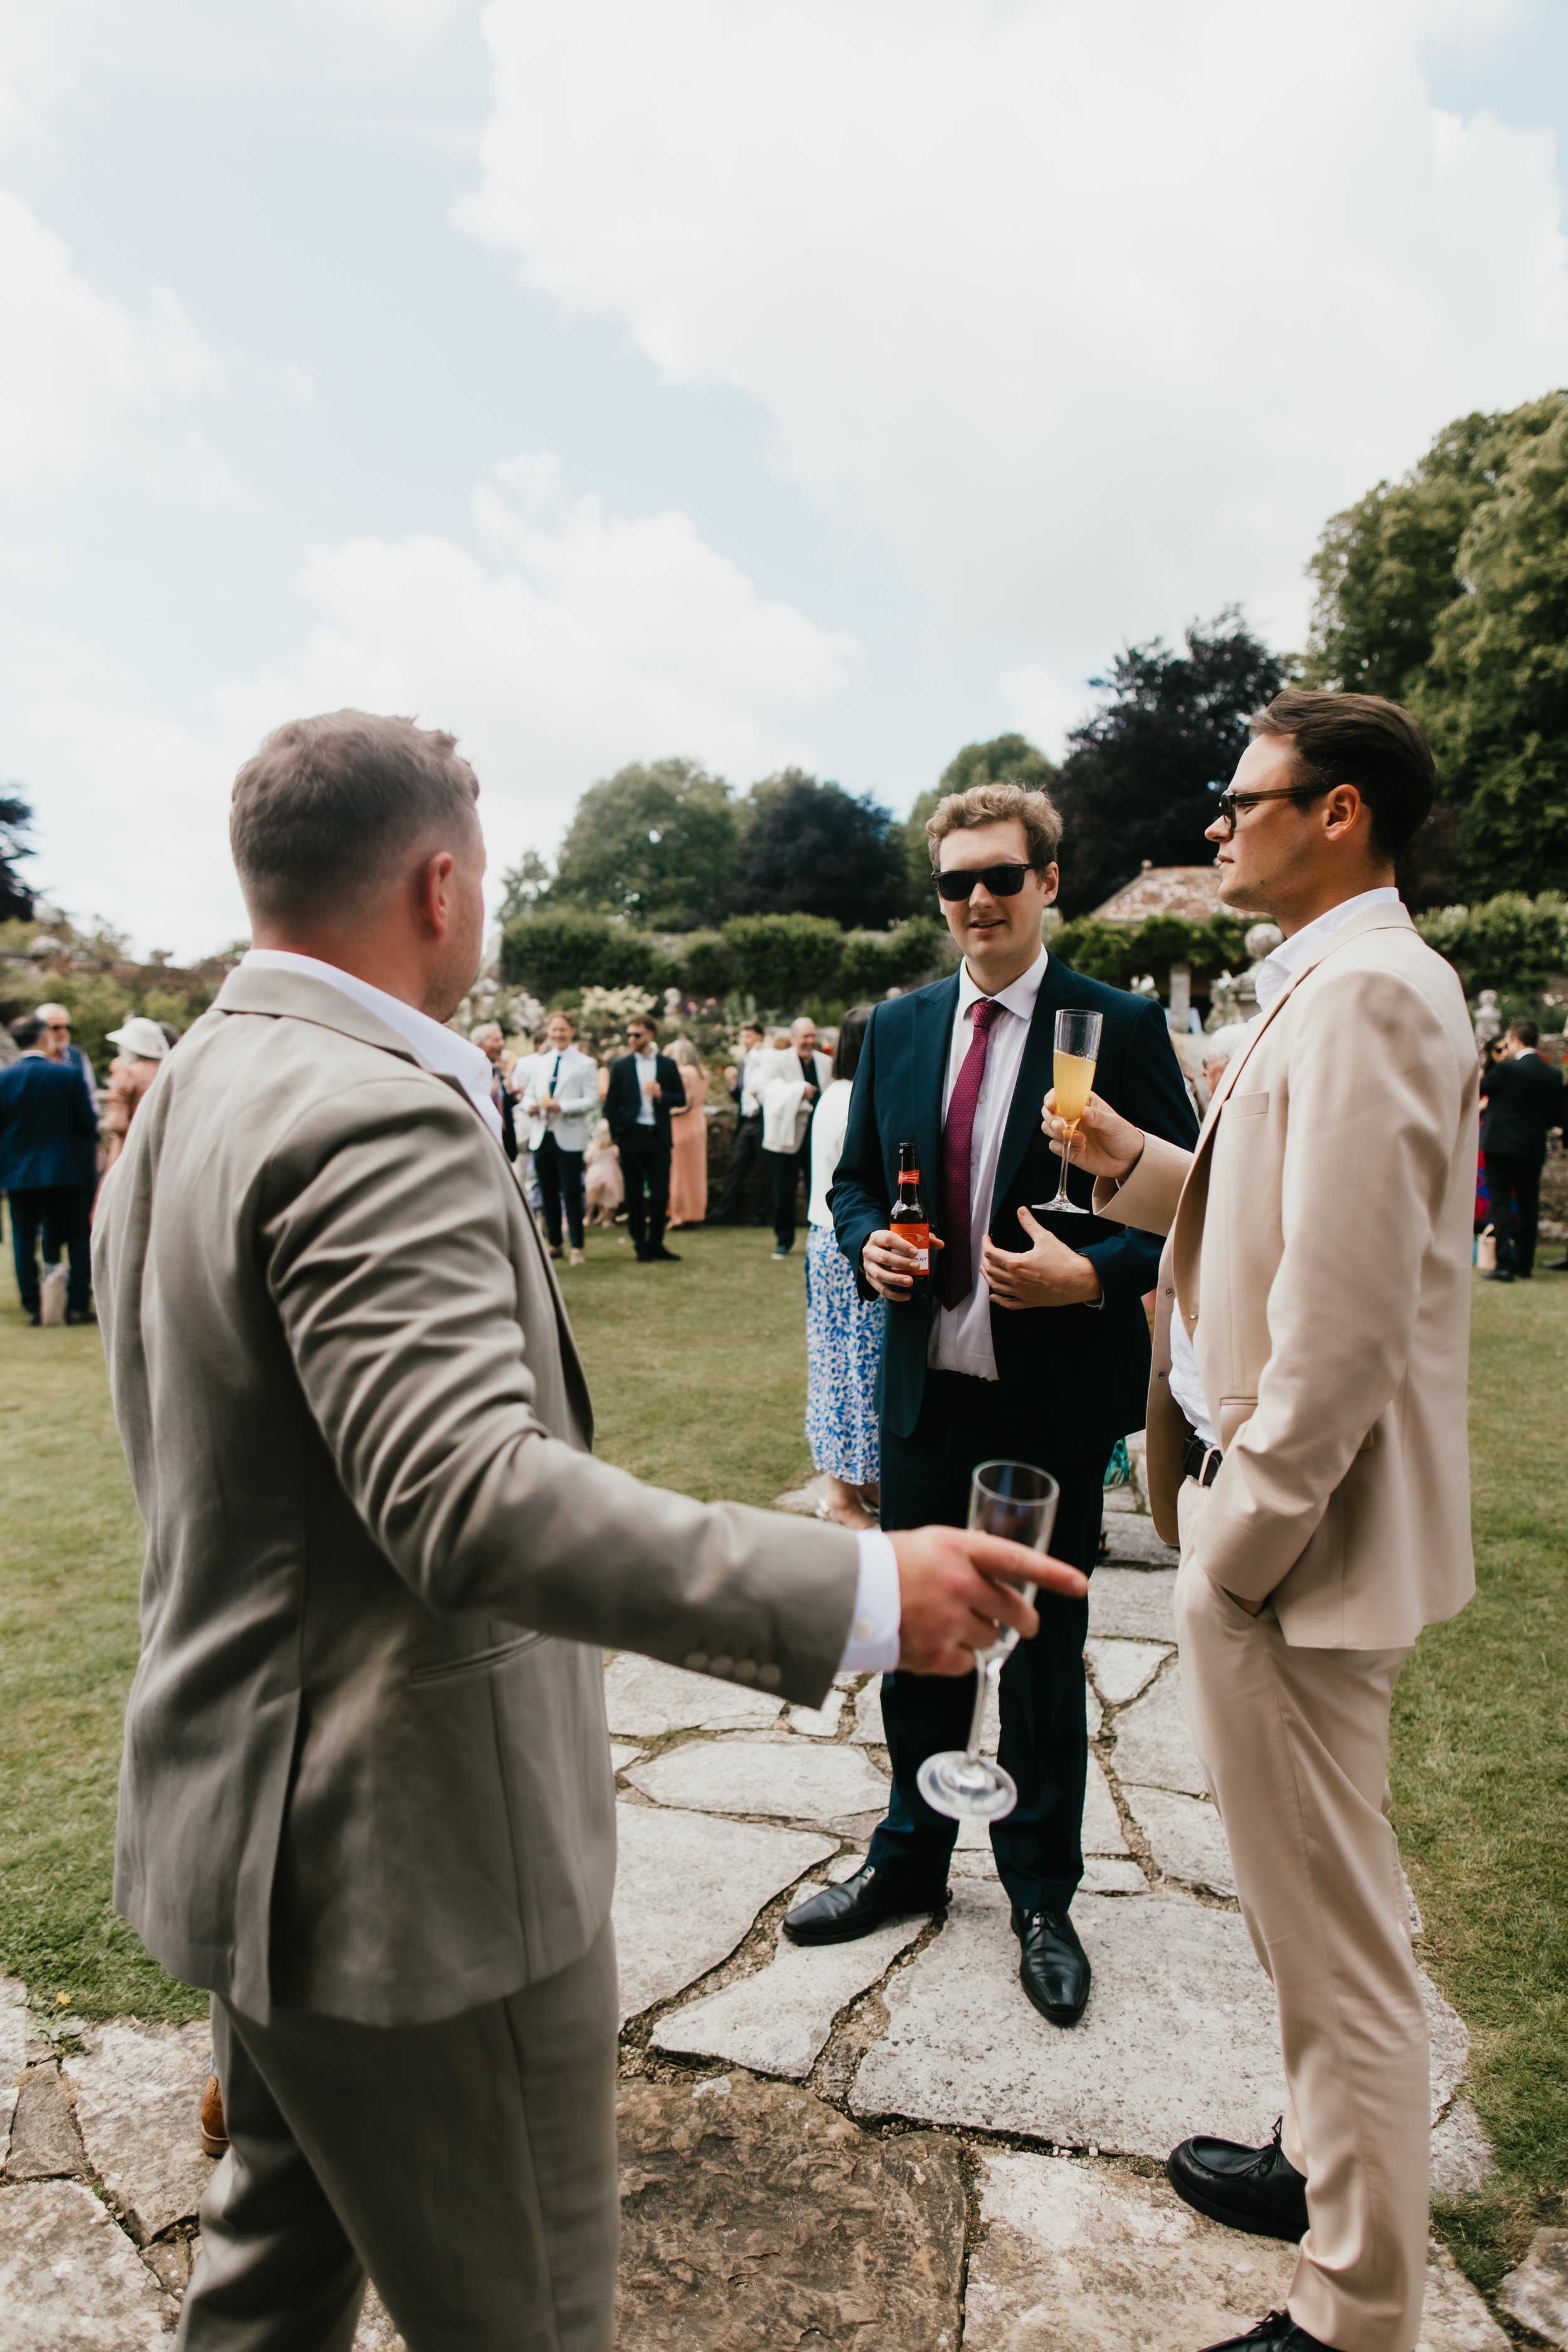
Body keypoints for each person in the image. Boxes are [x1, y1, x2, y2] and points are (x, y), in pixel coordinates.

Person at [91, 708, 1081, 2352]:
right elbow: (463, 1490)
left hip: (242, 1839)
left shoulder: (193, 1080)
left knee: (269, 2270)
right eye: (478, 877)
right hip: (409, 1872)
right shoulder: (373, 1108)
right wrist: (853, 1586)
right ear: (435, 883)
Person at [1054, 690, 1476, 2352]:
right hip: (1274, 1520)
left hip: (1296, 1541)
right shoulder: (1325, 983)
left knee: (1337, 1935)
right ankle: (1316, 2161)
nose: (1220, 824)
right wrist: (1130, 1158)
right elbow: (1263, 1209)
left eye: (1247, 799)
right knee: (1309, 1896)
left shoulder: (1371, 992)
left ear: (1343, 814)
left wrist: (1235, 1533)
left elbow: (1349, 1309)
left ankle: (1355, 2304)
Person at [789, 781, 1198, 2034]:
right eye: (954, 883)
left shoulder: (1113, 1026)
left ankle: (1038, 1895)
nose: (975, 900)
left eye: (999, 878)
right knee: (918, 1644)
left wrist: (1094, 1275)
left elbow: (1190, 1209)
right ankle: (908, 1858)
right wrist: (869, 1249)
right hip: (927, 1398)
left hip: (1050, 1400)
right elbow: (856, 1186)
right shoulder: (900, 1023)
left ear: (1048, 885)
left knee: (1038, 1657)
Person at [804, 1004, 883, 1530]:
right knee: (852, 1366)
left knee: (843, 1359)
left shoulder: (832, 1095)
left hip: (822, 1241)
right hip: (844, 1245)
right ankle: (839, 1495)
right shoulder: (853, 1099)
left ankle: (863, 1478)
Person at [1, 1012, 98, 1324]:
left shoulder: (4, 1079)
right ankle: (78, 1304)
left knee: (24, 1239)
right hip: (66, 1171)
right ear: (44, 1038)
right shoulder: (67, 1076)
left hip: (19, 1173)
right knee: (78, 1236)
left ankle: (33, 1306)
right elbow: (87, 1123)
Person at [1478, 1018, 1564, 1282]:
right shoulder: (1553, 1074)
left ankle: (1504, 1264)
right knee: (1529, 1206)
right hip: (1531, 1148)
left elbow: (1479, 1088)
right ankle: (1525, 1264)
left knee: (1501, 1204)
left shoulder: (1507, 1070)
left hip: (1500, 1148)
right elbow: (1556, 1115)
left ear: (1515, 1040)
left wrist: (1493, 1060)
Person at [517, 1010, 600, 1264]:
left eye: (562, 1030)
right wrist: (529, 1105)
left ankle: (577, 1246)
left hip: (569, 1136)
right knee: (548, 1192)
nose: (558, 1034)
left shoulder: (585, 1063)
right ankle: (554, 1243)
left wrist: (563, 1106)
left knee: (572, 1193)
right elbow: (529, 1095)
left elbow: (592, 1100)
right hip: (542, 1134)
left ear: (572, 1032)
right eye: (554, 1030)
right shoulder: (541, 1062)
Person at [605, 1015, 684, 1263]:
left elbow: (681, 1098)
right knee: (635, 1194)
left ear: (650, 1035)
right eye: (629, 1034)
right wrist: (619, 1136)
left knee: (660, 1194)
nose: (631, 1039)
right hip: (632, 1136)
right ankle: (640, 1244)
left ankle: (656, 1243)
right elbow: (611, 1106)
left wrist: (662, 1095)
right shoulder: (621, 1066)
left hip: (658, 1137)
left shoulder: (667, 1065)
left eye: (637, 1034)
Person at [756, 1033, 817, 1259]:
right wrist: (798, 1090)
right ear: (793, 1037)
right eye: (805, 1036)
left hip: (818, 1136)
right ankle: (784, 1240)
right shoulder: (777, 1061)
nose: (810, 1041)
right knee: (784, 1190)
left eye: (813, 1036)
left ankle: (819, 1239)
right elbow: (764, 1092)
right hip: (787, 1136)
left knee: (821, 1190)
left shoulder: (825, 1061)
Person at [711, 1019, 768, 1224]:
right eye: (742, 1036)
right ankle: (722, 1214)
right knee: (736, 1168)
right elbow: (739, 1097)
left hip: (763, 1121)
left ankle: (761, 1217)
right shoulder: (743, 1063)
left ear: (759, 1037)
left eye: (748, 1036)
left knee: (765, 1171)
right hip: (746, 1122)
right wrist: (732, 1083)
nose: (744, 1040)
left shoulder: (767, 1059)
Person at [100, 1016, 171, 1171]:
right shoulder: (167, 1070)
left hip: (129, 1148)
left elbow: (116, 1124)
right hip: (162, 1148)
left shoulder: (127, 1074)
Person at [665, 1035, 711, 1228]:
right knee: (696, 1173)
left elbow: (677, 1099)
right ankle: (695, 1213)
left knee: (678, 1172)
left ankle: (679, 1215)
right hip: (698, 1123)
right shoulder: (702, 1073)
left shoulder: (682, 1072)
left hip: (681, 1123)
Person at [36, 1000, 100, 1113]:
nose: (63, 1032)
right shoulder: (32, 1058)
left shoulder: (77, 1055)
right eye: (56, 1028)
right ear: (41, 1030)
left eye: (67, 1027)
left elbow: (89, 1092)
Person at [470, 1023, 518, 1162]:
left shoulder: (495, 1070)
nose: (502, 1044)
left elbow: (501, 1103)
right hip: (483, 1139)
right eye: (496, 1040)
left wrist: (512, 1097)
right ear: (480, 1044)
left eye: (501, 1039)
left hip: (503, 1136)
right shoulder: (473, 1070)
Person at [583, 1117, 623, 1227]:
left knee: (598, 1196)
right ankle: (605, 1218)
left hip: (596, 1173)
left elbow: (588, 1161)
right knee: (610, 1197)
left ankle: (596, 1217)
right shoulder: (613, 1148)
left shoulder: (595, 1147)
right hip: (610, 1174)